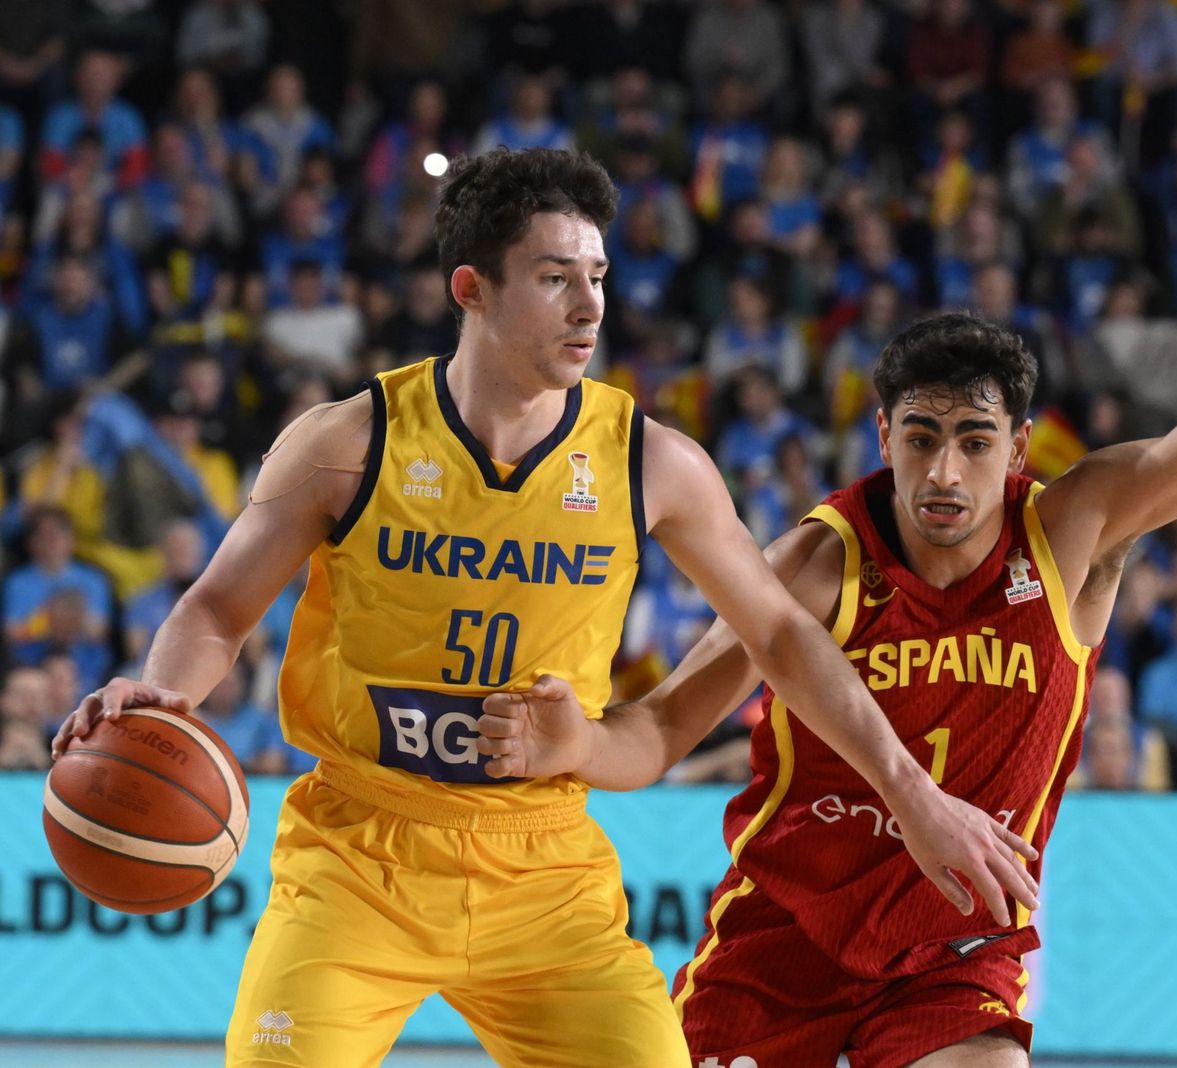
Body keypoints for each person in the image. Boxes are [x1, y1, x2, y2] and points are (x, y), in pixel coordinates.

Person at [488, 80, 1177, 1065]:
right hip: (779, 942)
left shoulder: (1072, 532)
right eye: (918, 438)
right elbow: (660, 731)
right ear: (883, 434)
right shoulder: (818, 561)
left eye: (971, 440)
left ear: (1018, 448)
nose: (942, 471)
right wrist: (580, 743)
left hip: (956, 949)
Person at [52, 147, 1036, 1067]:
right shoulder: (348, 442)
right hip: (360, 856)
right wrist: (162, 692)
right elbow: (218, 610)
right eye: (555, 277)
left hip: (543, 868)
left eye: (597, 276)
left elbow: (780, 631)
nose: (589, 305)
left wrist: (915, 799)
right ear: (472, 290)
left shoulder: (651, 462)